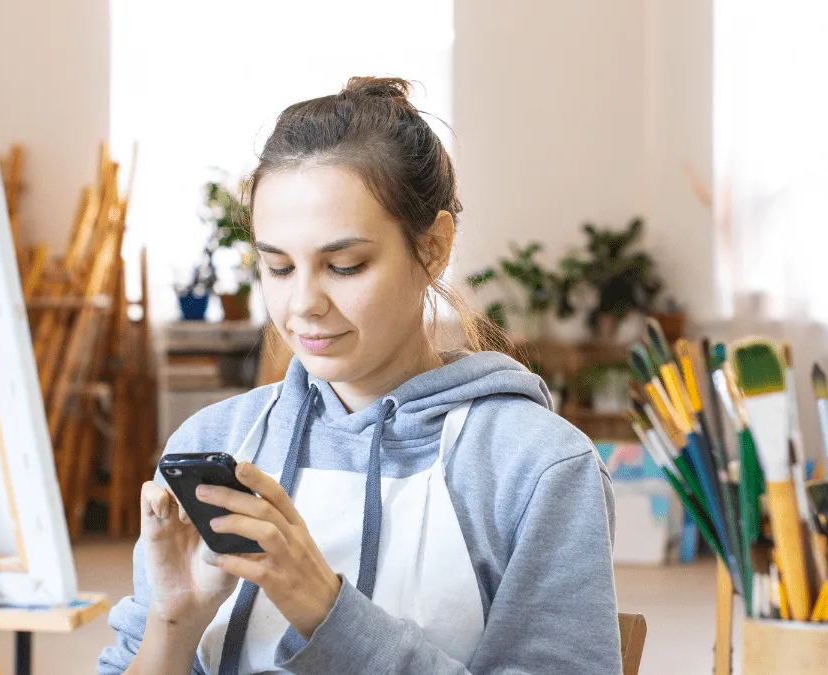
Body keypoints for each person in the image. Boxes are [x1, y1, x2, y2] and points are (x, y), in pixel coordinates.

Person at [99, 77, 621, 675]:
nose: (302, 304)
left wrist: (325, 609)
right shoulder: (215, 439)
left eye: (344, 265)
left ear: (434, 247)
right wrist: (173, 623)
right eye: (278, 267)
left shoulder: (534, 466)